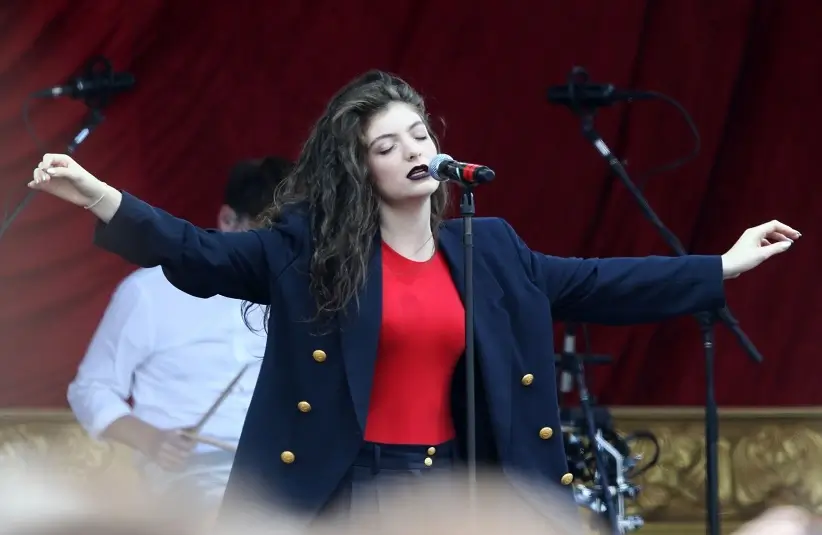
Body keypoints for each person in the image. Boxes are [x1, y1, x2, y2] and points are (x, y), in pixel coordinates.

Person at [29, 70, 799, 525]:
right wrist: (103, 198)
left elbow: (595, 282)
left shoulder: (487, 247)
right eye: (386, 146)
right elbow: (198, 252)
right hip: (347, 480)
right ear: (360, 169)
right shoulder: (310, 252)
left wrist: (720, 265)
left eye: (420, 134)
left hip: (455, 475)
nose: (413, 152)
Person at [65, 156, 293, 507]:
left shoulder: (299, 292)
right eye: (263, 239)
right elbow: (91, 388)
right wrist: (151, 440)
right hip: (191, 472)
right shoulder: (149, 292)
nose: (275, 254)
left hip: (281, 466)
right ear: (228, 221)